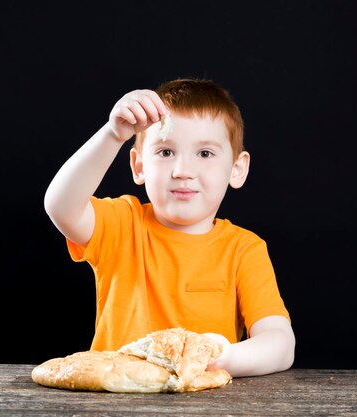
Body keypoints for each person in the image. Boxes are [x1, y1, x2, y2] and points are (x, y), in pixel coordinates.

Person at [44, 78, 295, 377]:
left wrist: (222, 357)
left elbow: (280, 344)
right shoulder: (122, 225)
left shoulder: (243, 250)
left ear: (236, 169)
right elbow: (60, 206)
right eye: (165, 152)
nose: (182, 171)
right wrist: (113, 134)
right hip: (116, 401)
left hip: (206, 405)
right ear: (138, 166)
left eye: (205, 154)